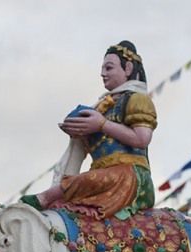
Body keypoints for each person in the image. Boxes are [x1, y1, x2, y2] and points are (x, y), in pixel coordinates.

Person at [21, 40, 157, 220]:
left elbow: (142, 139)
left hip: (129, 177)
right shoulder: (102, 106)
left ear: (128, 68)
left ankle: (46, 197)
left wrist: (101, 125)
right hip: (102, 177)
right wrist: (80, 132)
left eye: (109, 68)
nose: (102, 73)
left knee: (82, 181)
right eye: (102, 69)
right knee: (84, 182)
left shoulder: (137, 99)